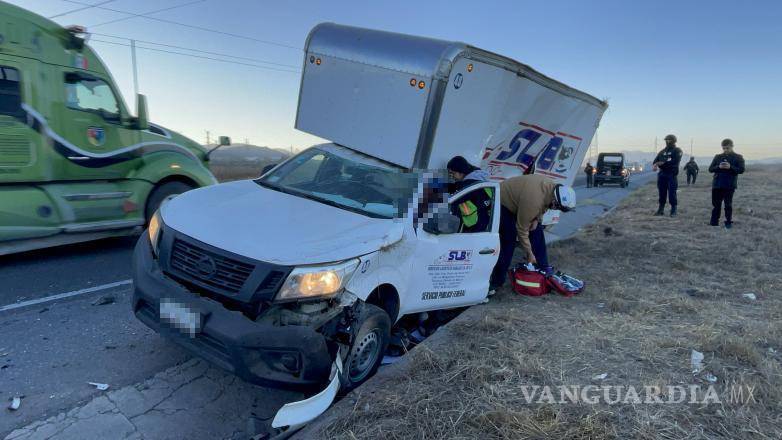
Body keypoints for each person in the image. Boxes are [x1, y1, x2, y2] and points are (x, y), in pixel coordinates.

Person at [489, 174, 576, 291]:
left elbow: (545, 204)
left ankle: (543, 269)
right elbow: (521, 229)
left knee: (537, 231)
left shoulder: (552, 188)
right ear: (555, 200)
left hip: (521, 200)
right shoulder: (533, 201)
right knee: (509, 238)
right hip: (502, 201)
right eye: (557, 207)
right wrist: (529, 253)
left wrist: (536, 219)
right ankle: (496, 281)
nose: (555, 209)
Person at [446, 156, 492, 233]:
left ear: (460, 171)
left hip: (475, 226)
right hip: (484, 222)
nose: (452, 176)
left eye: (453, 173)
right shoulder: (478, 179)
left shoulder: (469, 185)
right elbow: (454, 187)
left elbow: (453, 200)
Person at [708, 139, 745, 229]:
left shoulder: (738, 157)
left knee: (728, 205)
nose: (725, 150)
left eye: (727, 148)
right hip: (717, 184)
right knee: (716, 205)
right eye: (724, 148)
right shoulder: (717, 157)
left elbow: (741, 170)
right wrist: (719, 166)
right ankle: (714, 223)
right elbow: (710, 169)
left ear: (732, 146)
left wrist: (730, 167)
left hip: (729, 185)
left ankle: (728, 223)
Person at [653, 134, 683, 216]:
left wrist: (662, 163)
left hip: (671, 174)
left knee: (672, 193)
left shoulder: (677, 150)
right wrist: (655, 165)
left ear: (674, 141)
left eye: (669, 140)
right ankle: (660, 209)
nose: (667, 141)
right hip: (662, 174)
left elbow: (675, 162)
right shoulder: (662, 152)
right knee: (661, 192)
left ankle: (673, 210)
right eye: (666, 140)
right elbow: (655, 161)